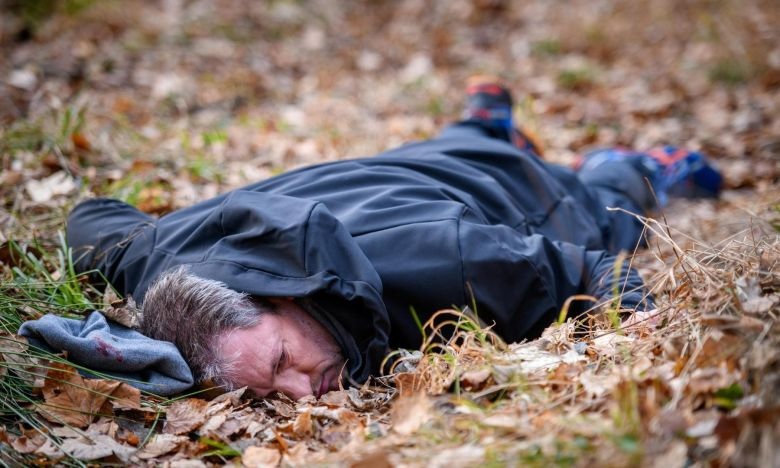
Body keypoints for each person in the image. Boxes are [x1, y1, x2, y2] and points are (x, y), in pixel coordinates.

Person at [60, 77, 722, 399]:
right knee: (456, 147)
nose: (299, 396)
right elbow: (90, 221)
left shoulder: (448, 258)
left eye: (282, 363)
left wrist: (642, 336)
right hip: (415, 163)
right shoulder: (163, 261)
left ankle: (632, 165)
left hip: (514, 194)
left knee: (605, 203)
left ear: (280, 296)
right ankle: (483, 122)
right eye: (265, 394)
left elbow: (593, 270)